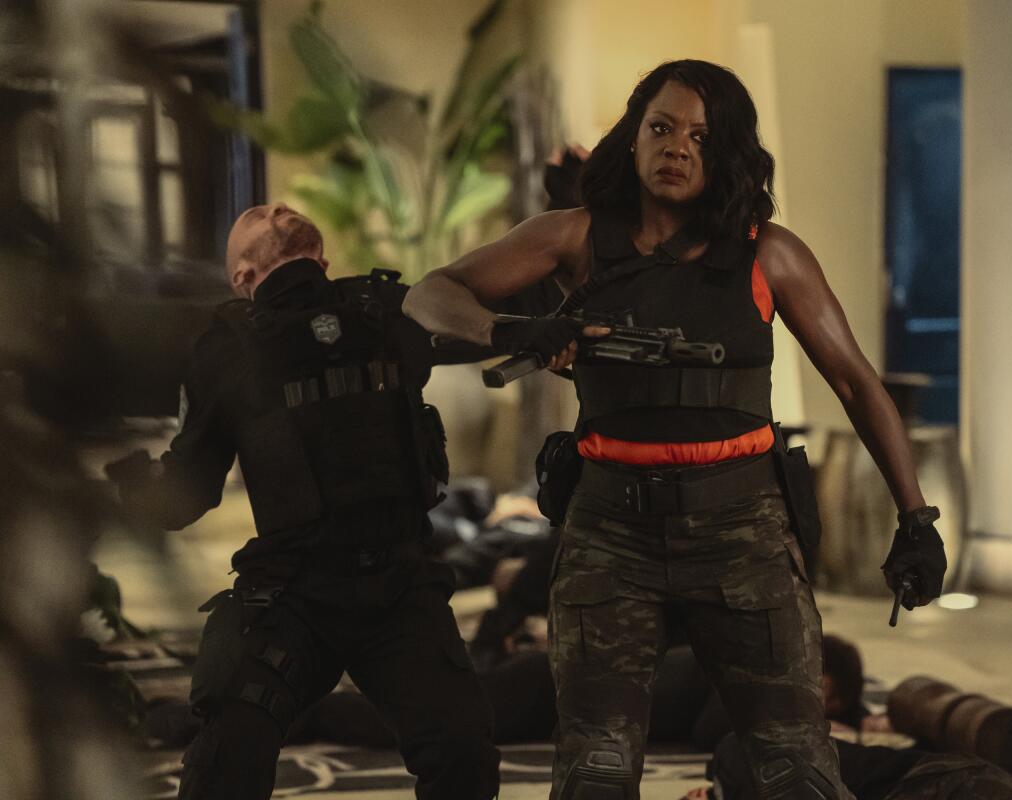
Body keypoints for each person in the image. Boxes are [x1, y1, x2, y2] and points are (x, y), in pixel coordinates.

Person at [403, 59, 947, 800]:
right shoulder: (574, 237)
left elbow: (855, 382)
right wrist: (512, 328)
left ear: (726, 153)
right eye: (662, 127)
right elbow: (430, 295)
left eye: (701, 136)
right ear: (633, 136)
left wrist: (916, 519)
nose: (678, 147)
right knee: (594, 773)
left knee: (795, 770)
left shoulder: (769, 252)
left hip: (742, 535)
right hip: (610, 534)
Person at [105, 203, 500, 800]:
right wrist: (133, 481)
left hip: (400, 583)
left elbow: (482, 321)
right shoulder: (228, 350)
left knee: (464, 753)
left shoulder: (382, 309)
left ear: (323, 259)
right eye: (256, 214)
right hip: (295, 591)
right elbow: (186, 496)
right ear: (242, 275)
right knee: (226, 756)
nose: (274, 206)